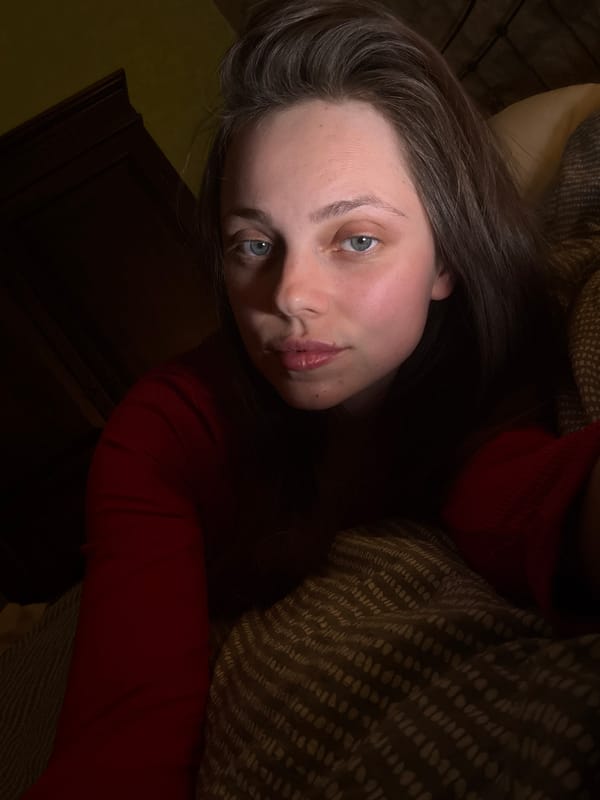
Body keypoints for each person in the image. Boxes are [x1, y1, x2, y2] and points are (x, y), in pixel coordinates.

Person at [24, 0, 600, 797]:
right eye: (254, 245)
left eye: (355, 239)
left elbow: (532, 502)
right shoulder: (162, 432)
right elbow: (120, 742)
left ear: (446, 259)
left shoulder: (493, 372)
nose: (289, 295)